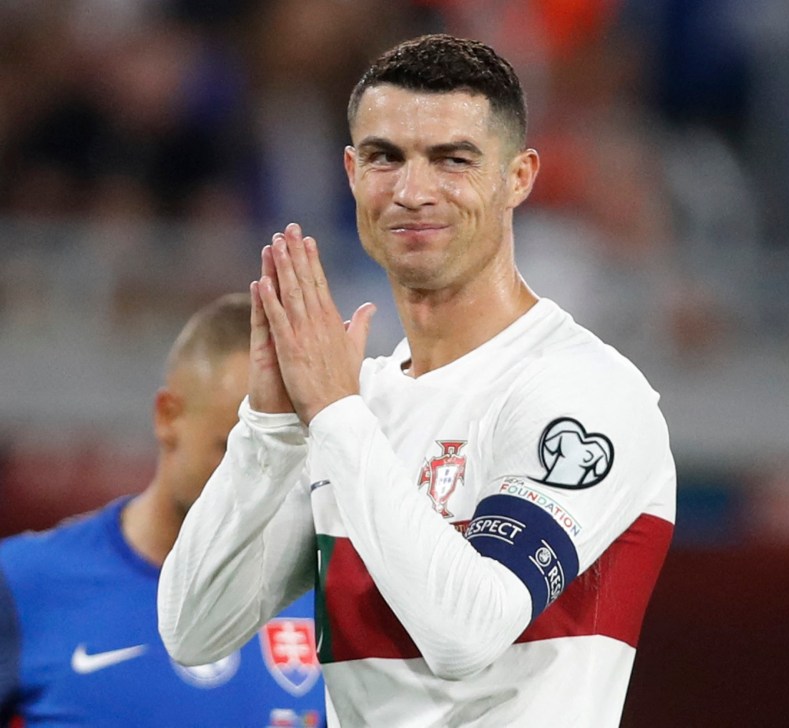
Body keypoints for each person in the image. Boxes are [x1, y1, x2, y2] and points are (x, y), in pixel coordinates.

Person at [159, 34, 676, 727]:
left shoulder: (581, 391)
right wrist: (272, 427)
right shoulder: (346, 404)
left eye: (452, 160)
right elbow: (193, 630)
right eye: (384, 157)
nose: (411, 191)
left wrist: (335, 415)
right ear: (349, 172)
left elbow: (467, 633)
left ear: (517, 178)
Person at [0, 293, 326, 728]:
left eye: (289, 455)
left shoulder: (326, 593)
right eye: (237, 452)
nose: (262, 483)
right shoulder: (22, 584)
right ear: (168, 416)